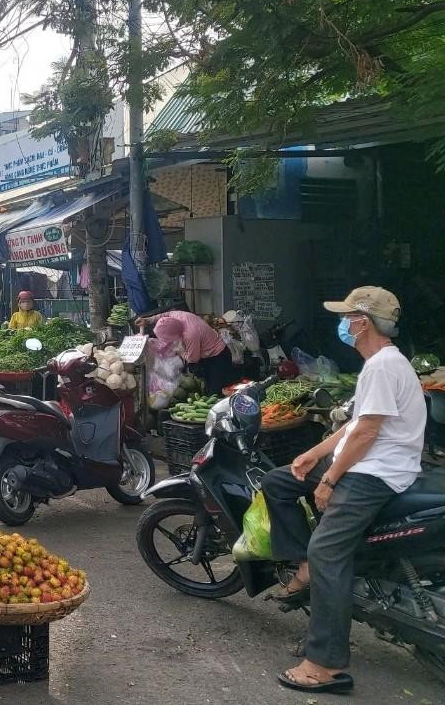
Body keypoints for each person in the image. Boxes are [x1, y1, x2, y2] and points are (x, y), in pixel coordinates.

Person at [262, 288, 424, 695]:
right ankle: (302, 567)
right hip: (366, 462)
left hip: (377, 474)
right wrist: (310, 455)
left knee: (327, 551)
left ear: (363, 323)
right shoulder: (378, 364)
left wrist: (330, 478)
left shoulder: (384, 367)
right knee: (279, 481)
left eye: (348, 317)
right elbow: (353, 426)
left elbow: (367, 434)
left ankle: (325, 665)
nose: (344, 324)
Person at [136, 308, 232, 394]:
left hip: (218, 355)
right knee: (207, 385)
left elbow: (193, 359)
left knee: (215, 391)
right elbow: (163, 316)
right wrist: (147, 320)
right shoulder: (177, 316)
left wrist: (180, 351)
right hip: (206, 352)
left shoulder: (190, 335)